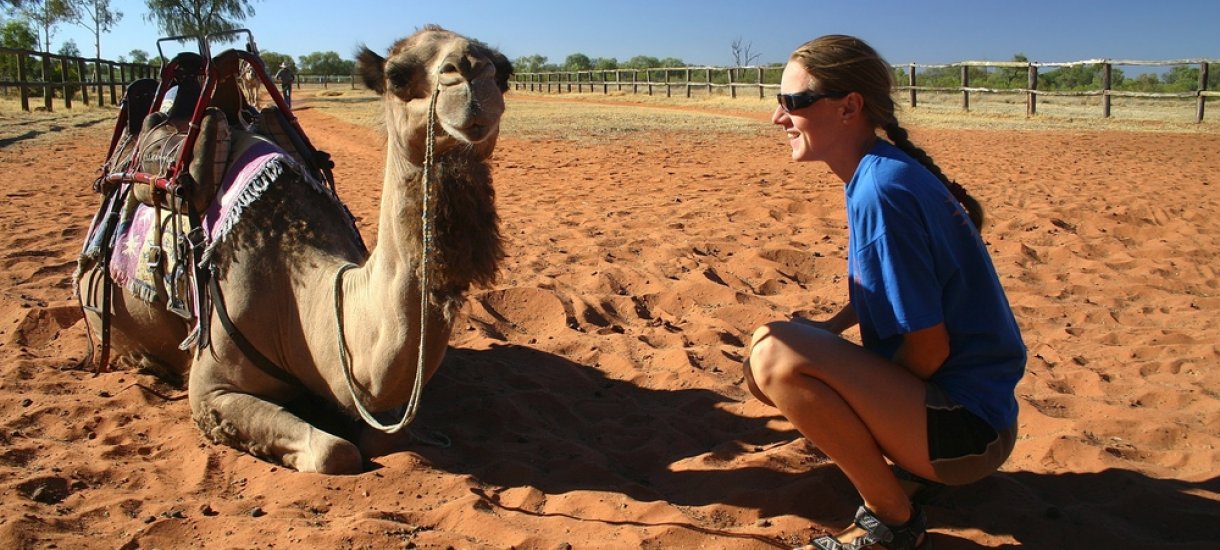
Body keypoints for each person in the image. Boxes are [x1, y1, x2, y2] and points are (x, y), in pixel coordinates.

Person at [743, 35, 1025, 550]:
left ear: (850, 106)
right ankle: (904, 474)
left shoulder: (881, 190)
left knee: (776, 361)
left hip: (965, 435)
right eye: (778, 101)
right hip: (979, 420)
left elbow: (930, 347)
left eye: (794, 102)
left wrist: (863, 408)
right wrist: (829, 332)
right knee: (777, 344)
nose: (779, 118)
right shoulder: (885, 170)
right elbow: (898, 288)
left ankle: (891, 517)